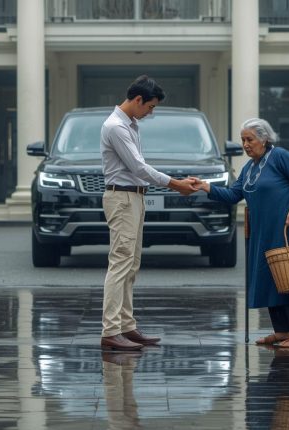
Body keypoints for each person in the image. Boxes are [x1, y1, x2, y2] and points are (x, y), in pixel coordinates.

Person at [195, 118, 289, 348]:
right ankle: (282, 331)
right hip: (264, 232)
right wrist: (206, 187)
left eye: (249, 139)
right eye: (243, 140)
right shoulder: (249, 168)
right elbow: (233, 195)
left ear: (264, 139)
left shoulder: (280, 156)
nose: (245, 144)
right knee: (272, 276)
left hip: (288, 228)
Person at [100, 75, 199, 351]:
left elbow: (140, 168)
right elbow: (139, 168)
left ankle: (126, 326)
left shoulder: (130, 125)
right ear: (137, 100)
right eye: (150, 107)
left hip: (133, 197)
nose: (150, 113)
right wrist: (176, 184)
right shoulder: (116, 127)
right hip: (122, 198)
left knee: (131, 265)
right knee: (120, 264)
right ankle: (110, 330)